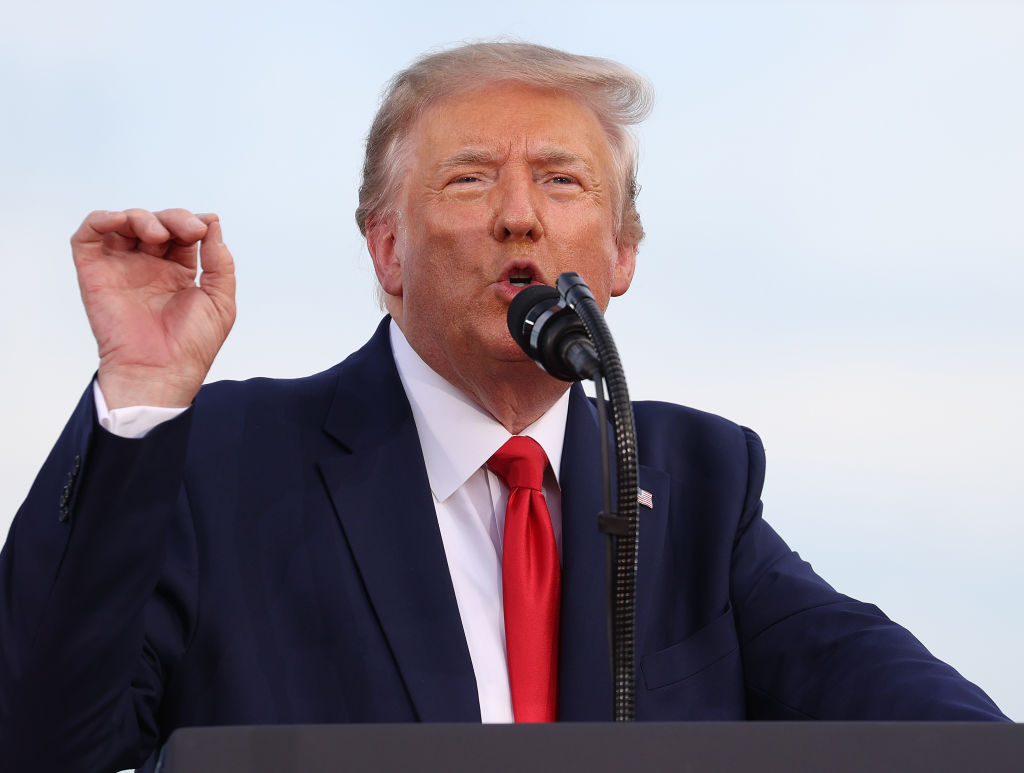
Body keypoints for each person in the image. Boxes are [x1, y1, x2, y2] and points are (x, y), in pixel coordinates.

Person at [0, 41, 1007, 773]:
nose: (518, 212)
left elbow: (925, 721)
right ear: (386, 249)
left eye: (562, 181)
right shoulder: (221, 457)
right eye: (469, 178)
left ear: (619, 258)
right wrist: (139, 395)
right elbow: (44, 739)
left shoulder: (694, 478)